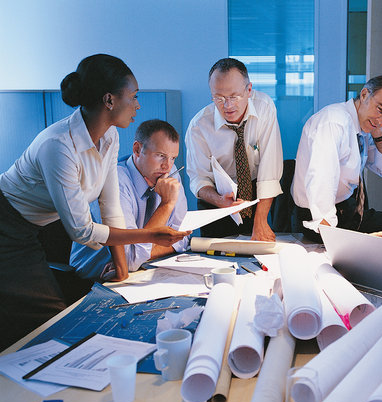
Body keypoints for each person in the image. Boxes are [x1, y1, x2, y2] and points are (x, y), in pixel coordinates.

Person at [0, 54, 190, 349]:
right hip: (7, 224)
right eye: (133, 96)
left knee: (44, 324)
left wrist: (122, 272)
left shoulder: (110, 136)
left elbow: (110, 207)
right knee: (48, 320)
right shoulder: (58, 146)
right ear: (109, 100)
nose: (138, 105)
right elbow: (82, 231)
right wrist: (150, 235)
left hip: (32, 228)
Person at [291, 75, 382, 242]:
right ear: (364, 94)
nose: (381, 120)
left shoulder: (365, 127)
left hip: (348, 210)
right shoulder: (334, 121)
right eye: (380, 110)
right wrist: (328, 234)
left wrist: (378, 132)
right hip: (320, 216)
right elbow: (322, 176)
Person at [70, 119, 189, 280]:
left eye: (173, 158)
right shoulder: (114, 182)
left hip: (144, 270)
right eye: (160, 156)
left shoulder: (169, 173)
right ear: (137, 149)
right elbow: (130, 259)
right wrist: (166, 204)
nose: (167, 166)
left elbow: (182, 238)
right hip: (93, 280)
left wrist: (141, 255)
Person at [185, 58, 283, 241]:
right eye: (219, 98)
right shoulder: (199, 126)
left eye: (234, 96)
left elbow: (269, 169)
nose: (227, 105)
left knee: (257, 246)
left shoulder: (264, 107)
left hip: (255, 193)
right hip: (217, 198)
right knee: (217, 253)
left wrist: (261, 220)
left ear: (249, 90)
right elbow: (199, 178)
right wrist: (219, 200)